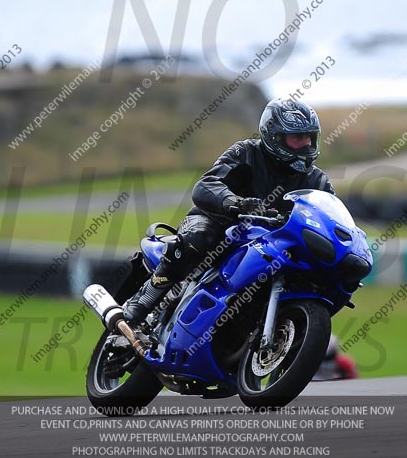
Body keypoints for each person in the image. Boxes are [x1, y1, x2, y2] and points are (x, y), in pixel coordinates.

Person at [123, 98, 336, 324]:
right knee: (200, 237)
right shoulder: (246, 152)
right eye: (296, 138)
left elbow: (330, 216)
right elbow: (205, 186)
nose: (305, 145)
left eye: (308, 138)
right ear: (274, 136)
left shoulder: (318, 180)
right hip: (222, 223)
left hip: (274, 241)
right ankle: (145, 297)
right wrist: (235, 203)